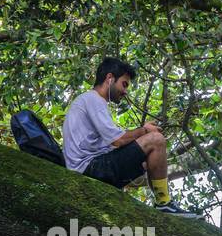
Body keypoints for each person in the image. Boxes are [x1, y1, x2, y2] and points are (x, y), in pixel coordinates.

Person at [62, 56, 199, 217]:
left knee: (147, 155)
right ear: (110, 78)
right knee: (156, 140)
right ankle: (164, 203)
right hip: (89, 169)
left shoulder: (91, 101)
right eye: (124, 84)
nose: (125, 91)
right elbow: (118, 140)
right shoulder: (94, 99)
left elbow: (113, 144)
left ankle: (162, 203)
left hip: (92, 166)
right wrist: (145, 130)